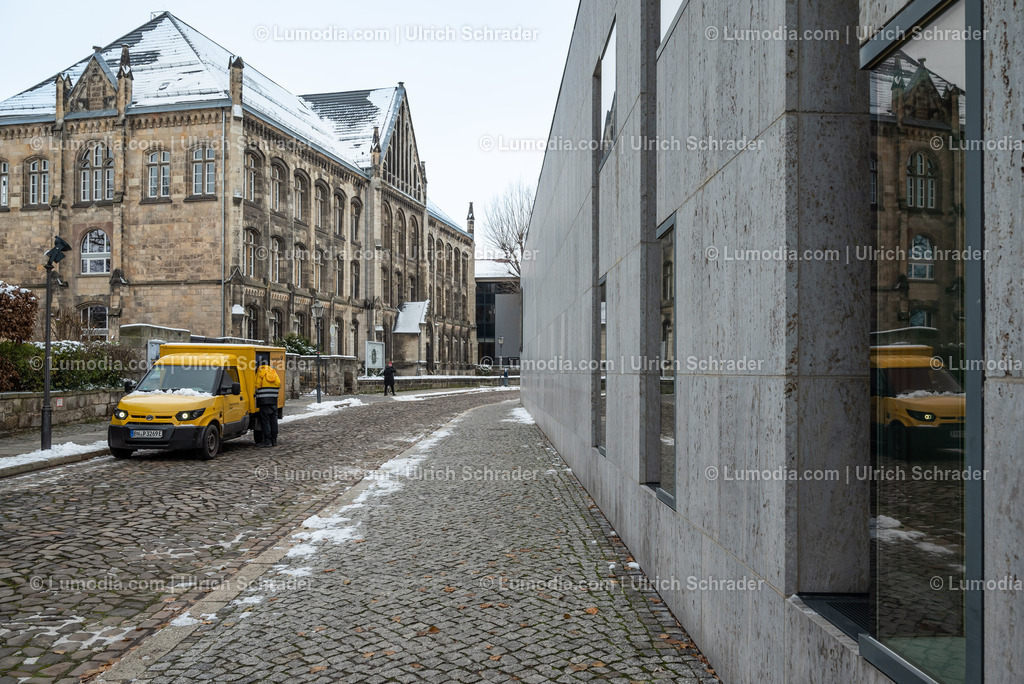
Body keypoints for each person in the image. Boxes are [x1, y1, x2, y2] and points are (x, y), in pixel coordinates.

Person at [254, 362, 281, 447]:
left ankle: (267, 440)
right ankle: (274, 440)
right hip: (273, 400)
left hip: (263, 400)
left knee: (265, 421)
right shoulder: (273, 372)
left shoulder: (260, 372)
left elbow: (257, 385)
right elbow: (279, 384)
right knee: (273, 421)